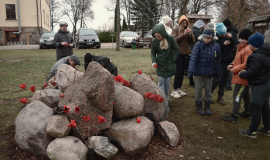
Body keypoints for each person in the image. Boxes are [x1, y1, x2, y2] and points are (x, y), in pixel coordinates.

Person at [238, 33, 270, 138]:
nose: (248, 45)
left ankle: (252, 131)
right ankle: (267, 128)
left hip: (259, 84)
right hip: (266, 83)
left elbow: (252, 73)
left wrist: (241, 73)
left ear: (254, 45)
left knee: (255, 106)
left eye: (250, 44)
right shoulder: (266, 53)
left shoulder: (256, 56)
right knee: (265, 105)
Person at [187, 23, 221, 115]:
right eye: (205, 38)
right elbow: (193, 58)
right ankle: (198, 107)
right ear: (202, 37)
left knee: (208, 91)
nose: (206, 40)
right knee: (198, 90)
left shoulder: (216, 46)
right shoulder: (198, 45)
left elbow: (217, 60)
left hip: (209, 72)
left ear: (212, 38)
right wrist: (190, 70)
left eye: (208, 38)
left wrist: (217, 72)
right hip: (198, 71)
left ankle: (207, 107)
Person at [221, 29, 253, 123]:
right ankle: (247, 112)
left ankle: (234, 116)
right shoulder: (241, 48)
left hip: (243, 77)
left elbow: (246, 64)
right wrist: (232, 64)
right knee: (246, 95)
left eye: (243, 39)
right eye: (240, 38)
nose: (240, 40)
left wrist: (234, 69)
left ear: (248, 40)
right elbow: (238, 60)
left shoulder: (248, 50)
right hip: (240, 76)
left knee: (237, 95)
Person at [211, 23, 239, 105]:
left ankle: (220, 97)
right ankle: (207, 95)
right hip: (219, 62)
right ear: (219, 33)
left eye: (224, 33)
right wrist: (223, 44)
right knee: (216, 80)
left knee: (224, 81)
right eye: (222, 34)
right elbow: (215, 50)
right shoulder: (215, 39)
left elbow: (236, 43)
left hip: (228, 62)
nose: (224, 35)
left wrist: (232, 38)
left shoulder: (228, 36)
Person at [151, 23, 180, 99]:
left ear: (162, 34)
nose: (157, 37)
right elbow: (153, 53)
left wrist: (173, 59)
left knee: (167, 83)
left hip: (169, 65)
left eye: (158, 36)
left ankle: (166, 100)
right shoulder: (154, 41)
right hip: (160, 65)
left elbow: (177, 49)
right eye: (155, 36)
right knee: (161, 82)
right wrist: (154, 61)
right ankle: (161, 99)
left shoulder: (170, 38)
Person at [171, 15, 196, 98]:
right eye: (183, 23)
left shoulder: (188, 30)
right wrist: (183, 34)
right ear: (180, 23)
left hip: (186, 54)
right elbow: (173, 40)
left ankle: (179, 89)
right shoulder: (175, 29)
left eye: (186, 23)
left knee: (182, 73)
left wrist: (191, 34)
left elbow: (192, 42)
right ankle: (174, 90)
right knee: (178, 72)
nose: (185, 24)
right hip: (178, 54)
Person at [223, 19, 239, 91]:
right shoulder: (234, 31)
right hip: (233, 52)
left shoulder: (230, 33)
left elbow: (234, 42)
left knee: (229, 68)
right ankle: (227, 84)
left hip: (231, 52)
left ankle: (228, 85)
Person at [189, 20, 206, 87]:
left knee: (191, 66)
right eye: (202, 26)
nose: (202, 28)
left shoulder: (193, 30)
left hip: (191, 50)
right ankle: (195, 83)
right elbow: (200, 40)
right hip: (195, 50)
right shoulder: (197, 31)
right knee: (196, 67)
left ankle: (191, 82)